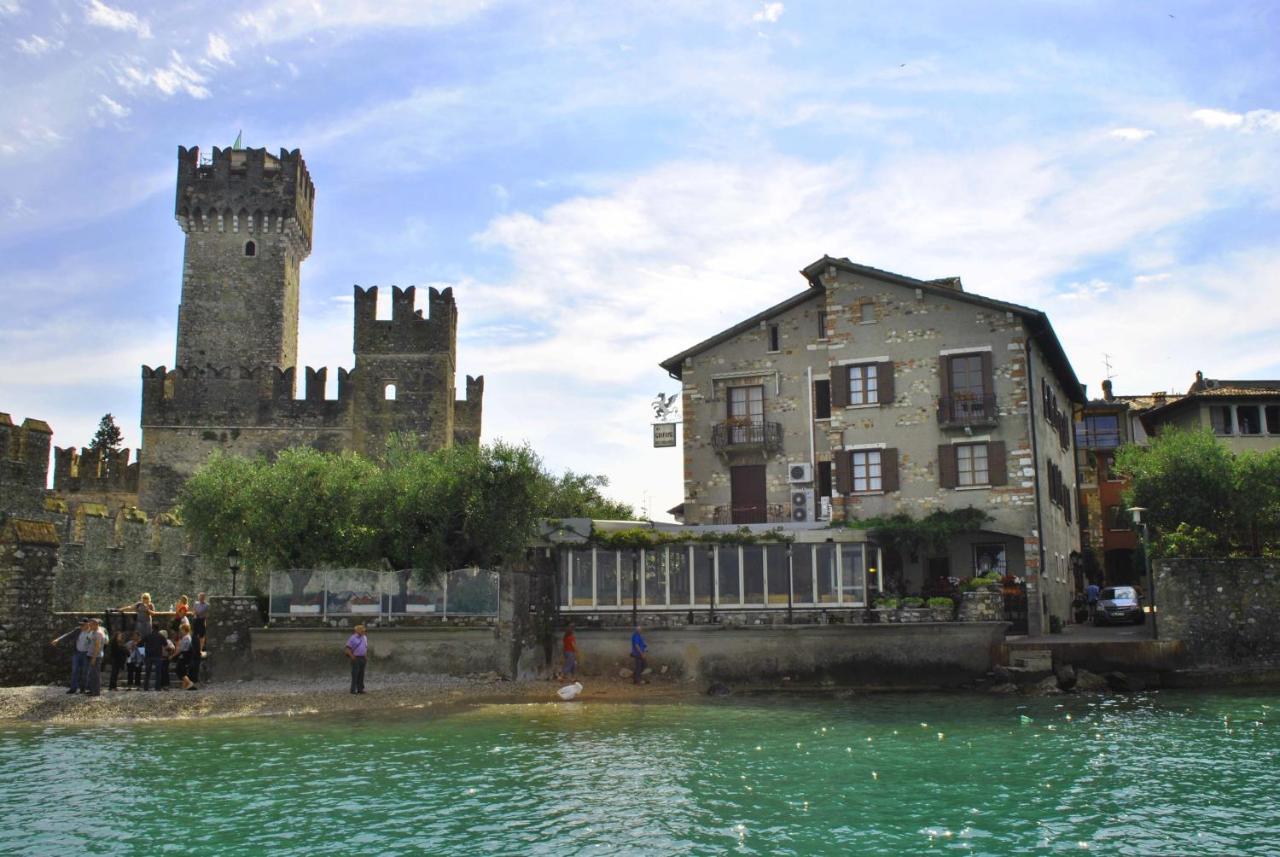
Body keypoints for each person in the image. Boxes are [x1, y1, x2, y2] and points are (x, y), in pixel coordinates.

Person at [50, 618, 92, 694]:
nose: (81, 626)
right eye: (80, 624)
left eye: (83, 624)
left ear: (88, 624)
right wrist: (58, 640)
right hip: (77, 653)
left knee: (85, 671)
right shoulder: (78, 630)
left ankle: (83, 689)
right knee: (75, 671)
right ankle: (73, 688)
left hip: (86, 654)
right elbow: (67, 635)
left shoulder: (92, 632)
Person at [84, 618, 107, 697]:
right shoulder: (93, 632)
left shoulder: (98, 634)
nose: (89, 626)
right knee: (92, 674)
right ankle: (92, 690)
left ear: (96, 624)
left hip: (96, 657)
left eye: (91, 625)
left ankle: (96, 692)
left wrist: (93, 658)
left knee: (95, 675)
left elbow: (97, 647)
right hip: (91, 655)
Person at [345, 624, 368, 694]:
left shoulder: (364, 637)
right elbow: (347, 648)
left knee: (361, 674)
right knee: (355, 674)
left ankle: (360, 689)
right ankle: (353, 689)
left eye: (364, 630)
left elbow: (365, 647)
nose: (363, 632)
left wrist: (365, 656)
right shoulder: (352, 638)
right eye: (362, 630)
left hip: (362, 657)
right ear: (357, 630)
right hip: (356, 657)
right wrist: (352, 656)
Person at [142, 626, 166, 691]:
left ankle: (146, 687)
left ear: (152, 628)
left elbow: (140, 643)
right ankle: (157, 687)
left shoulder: (147, 635)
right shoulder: (161, 636)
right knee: (158, 673)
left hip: (149, 656)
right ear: (158, 629)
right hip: (158, 656)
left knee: (147, 673)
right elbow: (165, 644)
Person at [176, 623, 198, 691]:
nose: (180, 631)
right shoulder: (187, 637)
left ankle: (189, 683)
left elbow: (182, 649)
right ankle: (185, 686)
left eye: (181, 630)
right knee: (183, 671)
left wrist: (173, 655)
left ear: (184, 630)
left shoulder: (186, 638)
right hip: (186, 655)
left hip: (184, 655)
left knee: (179, 670)